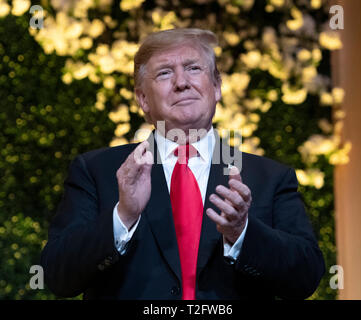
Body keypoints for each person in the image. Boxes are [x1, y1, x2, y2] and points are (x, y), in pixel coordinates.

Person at [41, 28, 325, 300]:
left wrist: (243, 233)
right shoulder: (97, 171)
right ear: (143, 99)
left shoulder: (269, 177)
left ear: (216, 87)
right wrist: (123, 216)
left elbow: (305, 279)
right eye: (164, 73)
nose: (181, 82)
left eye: (193, 68)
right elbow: (58, 276)